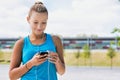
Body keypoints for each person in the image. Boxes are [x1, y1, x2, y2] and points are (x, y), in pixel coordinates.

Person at [9, 1, 65, 80]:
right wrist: (31, 63)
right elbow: (12, 76)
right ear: (28, 19)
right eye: (35, 22)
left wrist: (57, 61)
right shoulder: (20, 44)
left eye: (43, 23)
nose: (39, 27)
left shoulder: (55, 40)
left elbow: (62, 72)